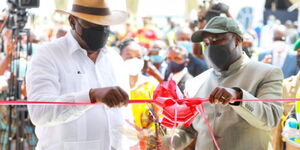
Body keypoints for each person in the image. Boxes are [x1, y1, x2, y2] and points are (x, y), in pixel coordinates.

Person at [157, 16, 284, 150]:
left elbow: (271, 119)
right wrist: (166, 143)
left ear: (237, 40)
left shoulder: (266, 73)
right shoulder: (195, 83)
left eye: (217, 40)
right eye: (206, 43)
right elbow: (189, 130)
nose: (211, 46)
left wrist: (240, 97)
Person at [26, 0, 132, 150]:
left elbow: (125, 113)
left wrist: (136, 138)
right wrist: (91, 96)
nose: (100, 30)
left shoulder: (114, 59)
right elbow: (40, 113)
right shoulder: (48, 54)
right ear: (72, 21)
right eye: (92, 24)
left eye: (104, 25)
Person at [119, 39, 161, 149]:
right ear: (119, 59)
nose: (134, 60)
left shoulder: (152, 84)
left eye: (138, 57)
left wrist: (146, 132)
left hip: (146, 145)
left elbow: (160, 116)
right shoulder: (113, 87)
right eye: (129, 56)